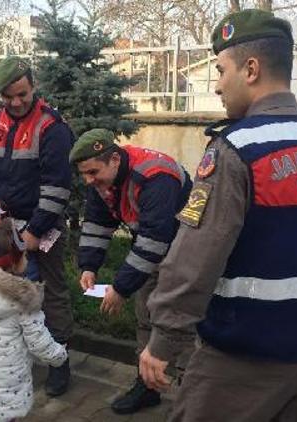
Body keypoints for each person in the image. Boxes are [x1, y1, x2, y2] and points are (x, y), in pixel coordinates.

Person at [138, 10, 297, 421]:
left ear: (252, 69)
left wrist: (163, 339)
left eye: (221, 70)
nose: (218, 85)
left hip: (244, 364)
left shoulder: (237, 149)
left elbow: (194, 261)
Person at [0, 56, 74, 396]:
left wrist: (34, 232)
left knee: (51, 291)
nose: (16, 102)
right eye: (8, 96)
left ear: (33, 87)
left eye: (23, 94)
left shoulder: (51, 127)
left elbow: (57, 187)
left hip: (41, 225)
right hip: (0, 224)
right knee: (3, 288)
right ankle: (11, 354)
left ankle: (60, 362)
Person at [69, 128, 192, 414]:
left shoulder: (156, 176)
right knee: (146, 318)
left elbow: (154, 240)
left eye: (92, 172)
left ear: (114, 159)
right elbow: (98, 225)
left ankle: (191, 394)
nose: (89, 181)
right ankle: (147, 385)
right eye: (84, 174)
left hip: (186, 256)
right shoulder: (103, 179)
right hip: (154, 252)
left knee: (181, 326)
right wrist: (89, 266)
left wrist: (121, 288)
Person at [0, 211, 68, 422]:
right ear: (16, 263)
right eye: (25, 255)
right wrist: (59, 355)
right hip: (9, 386)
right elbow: (38, 342)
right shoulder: (23, 300)